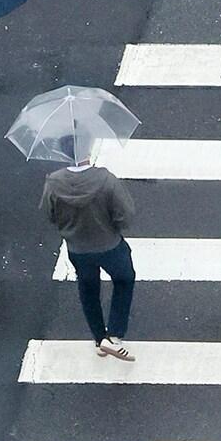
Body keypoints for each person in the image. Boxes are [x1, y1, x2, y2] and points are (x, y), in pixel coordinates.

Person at [41, 152, 136, 359]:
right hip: (109, 245)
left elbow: (50, 213)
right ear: (88, 153)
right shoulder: (106, 180)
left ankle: (99, 338)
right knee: (124, 279)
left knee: (88, 288)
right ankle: (115, 334)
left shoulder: (54, 182)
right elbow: (125, 215)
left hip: (77, 248)